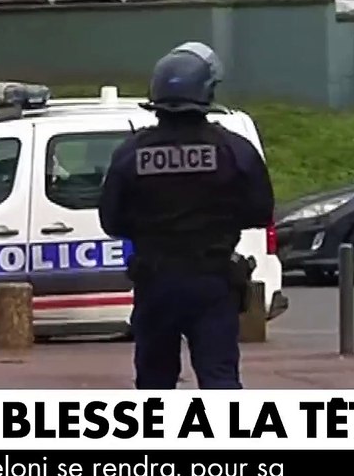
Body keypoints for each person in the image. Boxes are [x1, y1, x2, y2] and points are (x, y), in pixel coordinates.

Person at [98, 42, 275, 390]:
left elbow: (111, 221)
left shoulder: (131, 154)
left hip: (155, 284)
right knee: (219, 379)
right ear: (207, 92)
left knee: (154, 381)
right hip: (212, 282)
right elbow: (260, 211)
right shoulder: (233, 149)